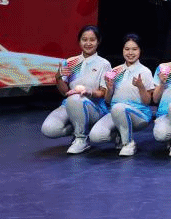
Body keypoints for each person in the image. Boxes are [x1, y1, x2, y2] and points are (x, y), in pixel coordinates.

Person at [41, 26, 113, 154]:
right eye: (84, 39)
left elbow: (103, 93)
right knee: (49, 129)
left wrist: (88, 91)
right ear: (79, 41)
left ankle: (81, 139)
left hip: (94, 107)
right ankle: (80, 128)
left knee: (75, 98)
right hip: (70, 104)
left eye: (92, 40)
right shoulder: (70, 62)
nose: (88, 43)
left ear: (98, 42)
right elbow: (64, 92)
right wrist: (58, 77)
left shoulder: (104, 64)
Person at [88, 34, 155, 156]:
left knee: (119, 107)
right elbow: (108, 100)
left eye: (134, 49)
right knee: (95, 136)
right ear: (122, 50)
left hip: (138, 114)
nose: (130, 53)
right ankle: (121, 135)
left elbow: (147, 102)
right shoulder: (115, 71)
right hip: (116, 112)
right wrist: (110, 88)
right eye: (127, 49)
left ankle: (128, 143)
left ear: (140, 50)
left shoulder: (145, 72)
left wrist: (140, 87)